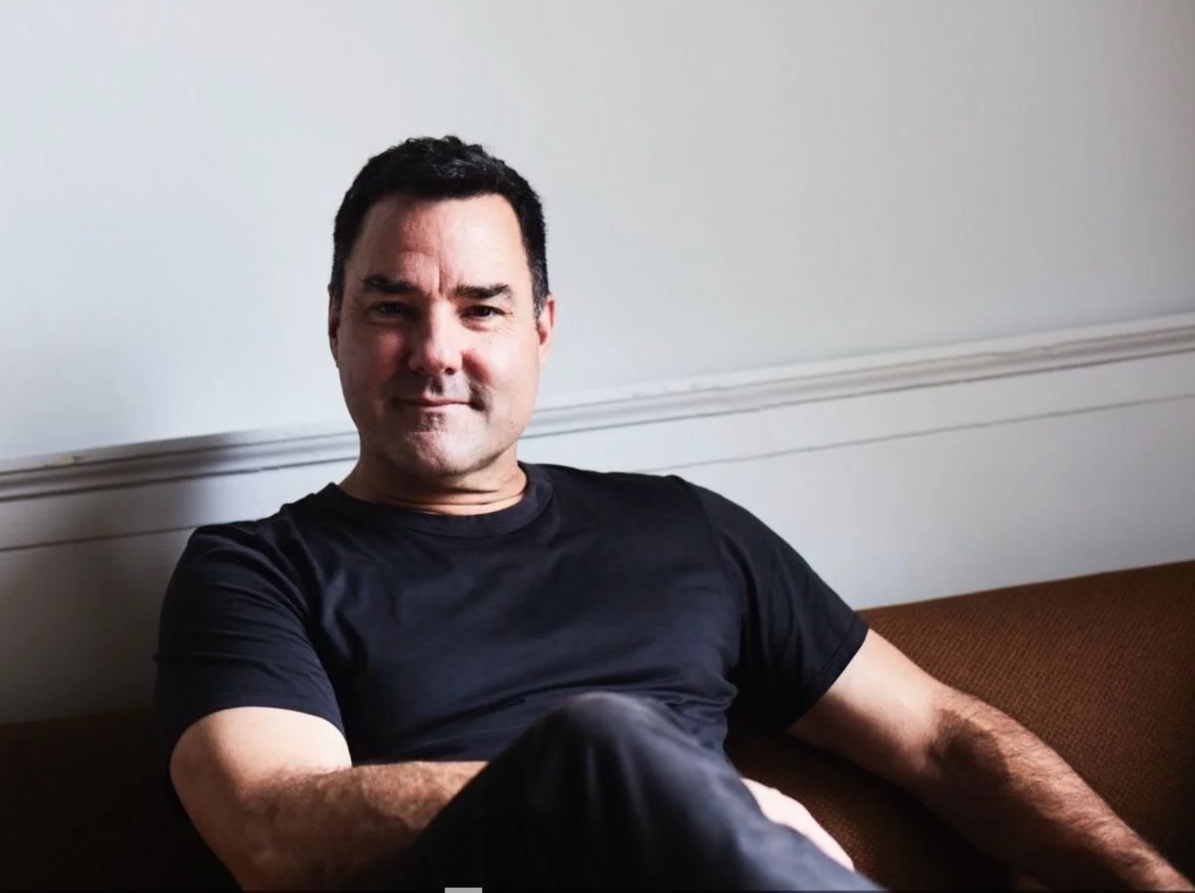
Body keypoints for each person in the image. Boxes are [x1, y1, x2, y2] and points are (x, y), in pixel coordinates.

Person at [153, 136, 1190, 891]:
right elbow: (272, 829)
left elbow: (940, 739)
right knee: (602, 741)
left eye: (481, 307)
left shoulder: (679, 531)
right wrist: (667, 794)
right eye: (391, 307)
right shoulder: (254, 572)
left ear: (540, 330)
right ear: (335, 321)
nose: (436, 351)